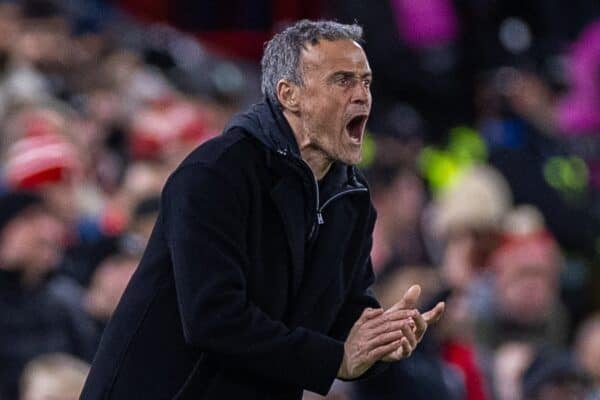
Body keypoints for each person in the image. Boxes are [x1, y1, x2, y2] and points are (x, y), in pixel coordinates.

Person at [81, 20, 444, 399]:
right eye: (343, 80)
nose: (363, 96)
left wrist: (383, 339)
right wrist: (334, 359)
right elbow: (213, 318)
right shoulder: (216, 173)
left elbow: (343, 317)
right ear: (289, 95)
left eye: (366, 81)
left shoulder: (349, 197)